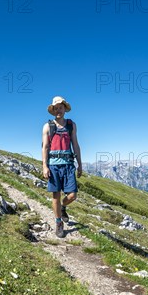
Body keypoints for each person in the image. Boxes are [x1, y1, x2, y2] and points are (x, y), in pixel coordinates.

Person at [42, 96, 83, 238]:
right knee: (56, 196)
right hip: (53, 166)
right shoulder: (48, 126)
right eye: (56, 108)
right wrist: (44, 166)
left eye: (60, 107)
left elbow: (75, 145)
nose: (58, 110)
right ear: (53, 110)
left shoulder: (71, 125)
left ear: (65, 108)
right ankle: (59, 223)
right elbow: (45, 147)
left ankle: (63, 207)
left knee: (72, 196)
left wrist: (80, 164)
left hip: (68, 165)